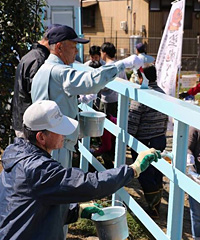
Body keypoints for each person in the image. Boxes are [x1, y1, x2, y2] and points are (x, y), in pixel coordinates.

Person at [0, 100, 161, 240]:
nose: (65, 133)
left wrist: (75, 211)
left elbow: (33, 208)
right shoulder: (37, 169)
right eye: (59, 129)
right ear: (41, 137)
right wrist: (133, 169)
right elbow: (89, 184)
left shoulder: (18, 153)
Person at [31, 25, 143, 169]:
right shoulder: (60, 71)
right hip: (57, 142)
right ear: (59, 47)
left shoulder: (44, 69)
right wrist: (122, 64)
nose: (77, 51)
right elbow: (92, 80)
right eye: (73, 46)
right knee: (58, 184)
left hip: (44, 139)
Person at [128, 65, 168, 218]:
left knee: (144, 173)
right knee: (157, 173)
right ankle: (156, 204)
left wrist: (128, 139)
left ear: (141, 77)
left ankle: (153, 208)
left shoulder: (141, 96)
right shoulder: (162, 94)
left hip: (143, 142)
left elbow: (133, 120)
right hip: (159, 138)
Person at [12, 24, 61, 138]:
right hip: (30, 124)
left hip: (22, 120)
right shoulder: (39, 60)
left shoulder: (32, 55)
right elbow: (38, 94)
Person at [99, 42, 128, 117]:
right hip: (118, 99)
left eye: (101, 52)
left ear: (104, 53)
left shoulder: (105, 68)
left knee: (105, 124)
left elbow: (103, 86)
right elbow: (125, 81)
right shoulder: (120, 66)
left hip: (107, 101)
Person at [186, 126, 200, 240]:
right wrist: (191, 168)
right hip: (197, 176)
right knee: (197, 213)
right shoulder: (195, 128)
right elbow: (187, 148)